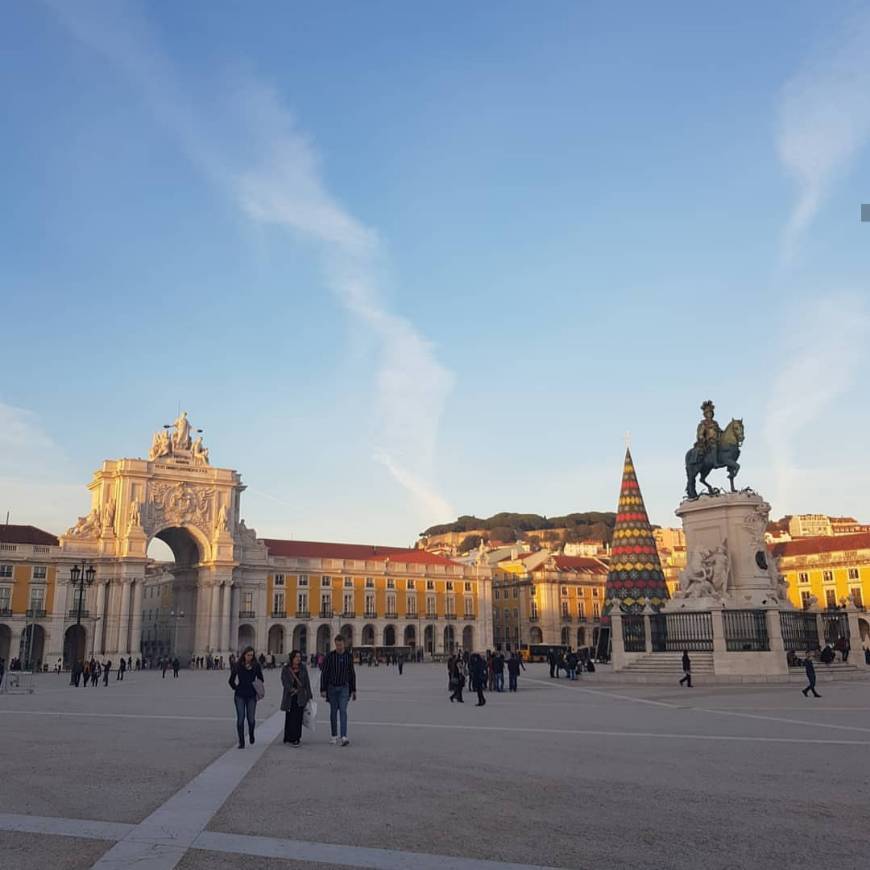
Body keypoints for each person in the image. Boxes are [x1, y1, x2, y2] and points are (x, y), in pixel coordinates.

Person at [320, 634, 357, 746]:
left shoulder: (349, 656)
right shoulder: (330, 656)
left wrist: (354, 689)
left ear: (344, 644)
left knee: (343, 711)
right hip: (331, 688)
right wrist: (323, 689)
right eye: (337, 645)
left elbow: (352, 673)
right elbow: (324, 673)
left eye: (340, 645)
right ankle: (334, 735)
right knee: (333, 712)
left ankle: (344, 736)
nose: (339, 647)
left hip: (344, 688)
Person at [229, 646, 264, 748]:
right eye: (248, 655)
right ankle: (241, 741)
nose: (250, 657)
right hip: (240, 695)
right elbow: (231, 680)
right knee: (240, 718)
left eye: (252, 655)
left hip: (251, 695)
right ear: (244, 655)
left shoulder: (256, 666)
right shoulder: (238, 666)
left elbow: (261, 678)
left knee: (251, 719)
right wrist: (236, 688)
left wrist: (256, 686)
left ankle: (251, 733)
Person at [281, 650, 312, 746]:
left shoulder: (303, 668)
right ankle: (288, 736)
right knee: (290, 716)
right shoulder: (286, 668)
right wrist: (291, 689)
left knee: (298, 717)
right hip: (290, 696)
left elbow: (307, 681)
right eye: (296, 657)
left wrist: (309, 694)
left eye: (299, 656)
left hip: (300, 695)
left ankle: (296, 738)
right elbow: (284, 680)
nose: (298, 658)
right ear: (292, 658)